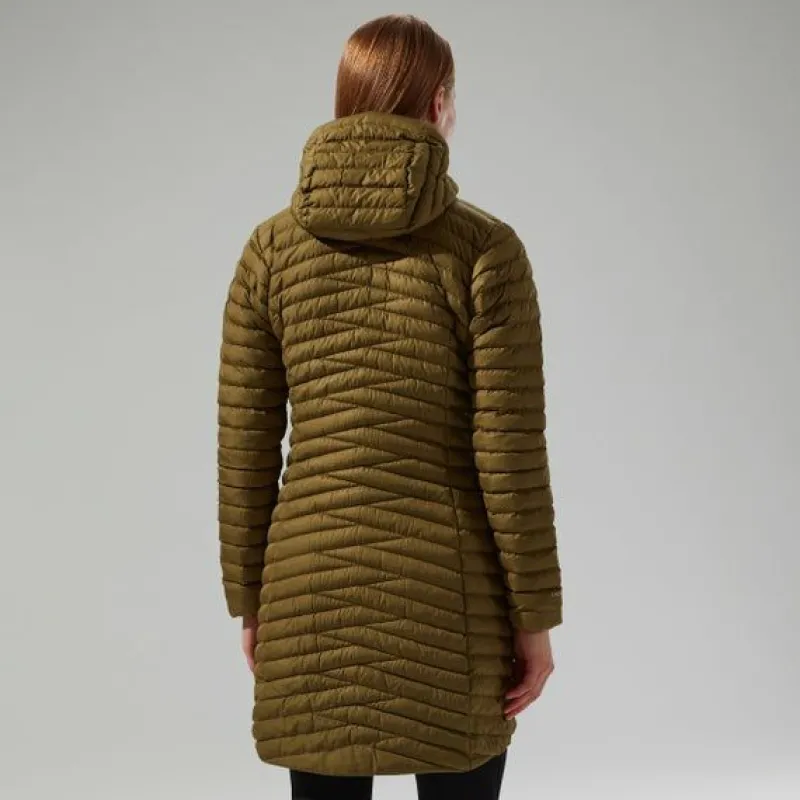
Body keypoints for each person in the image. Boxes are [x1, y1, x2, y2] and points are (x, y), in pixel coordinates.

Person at [217, 13, 563, 800]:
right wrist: (534, 620)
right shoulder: (485, 251)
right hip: (453, 604)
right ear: (439, 103)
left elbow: (245, 447)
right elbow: (510, 455)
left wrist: (251, 600)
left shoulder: (268, 252)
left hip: (305, 590)